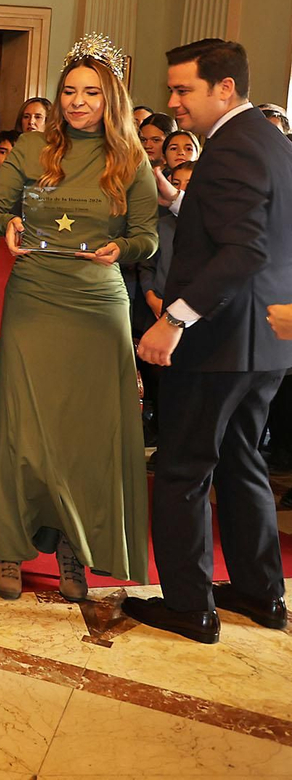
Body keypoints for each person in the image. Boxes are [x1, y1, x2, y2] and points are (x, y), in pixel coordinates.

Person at [0, 35, 157, 601]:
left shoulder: (131, 158)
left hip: (98, 305)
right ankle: (10, 547)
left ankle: (74, 550)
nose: (78, 102)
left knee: (85, 435)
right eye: (70, 91)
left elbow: (147, 237)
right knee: (24, 425)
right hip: (35, 297)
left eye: (91, 93)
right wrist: (7, 224)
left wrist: (122, 249)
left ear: (111, 99)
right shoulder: (33, 147)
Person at [129, 39, 292, 643]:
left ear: (224, 88)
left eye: (183, 89)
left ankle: (189, 606)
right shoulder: (270, 140)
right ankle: (260, 592)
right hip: (265, 340)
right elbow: (259, 230)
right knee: (242, 460)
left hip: (220, 339)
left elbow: (241, 250)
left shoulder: (229, 148)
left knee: (182, 469)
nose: (173, 102)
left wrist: (174, 319)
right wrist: (180, 200)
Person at [139, 161, 192, 324]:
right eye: (175, 184)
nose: (181, 189)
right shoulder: (161, 225)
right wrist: (151, 297)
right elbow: (147, 266)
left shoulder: (210, 226)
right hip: (159, 305)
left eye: (189, 184)